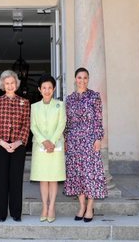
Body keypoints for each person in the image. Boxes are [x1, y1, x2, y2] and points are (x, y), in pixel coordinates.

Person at [64, 67, 108, 222]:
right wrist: (65, 140)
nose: (82, 80)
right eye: (79, 77)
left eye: (85, 77)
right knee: (77, 175)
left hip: (90, 140)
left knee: (91, 175)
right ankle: (81, 206)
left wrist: (98, 138)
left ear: (88, 79)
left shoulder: (94, 96)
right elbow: (67, 122)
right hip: (74, 141)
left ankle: (90, 208)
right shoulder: (69, 99)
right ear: (75, 79)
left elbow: (98, 119)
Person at [0, 70, 30, 222]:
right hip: (1, 146)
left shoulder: (24, 102)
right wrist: (2, 143)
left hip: (18, 146)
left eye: (12, 83)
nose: (10, 85)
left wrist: (18, 142)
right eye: (7, 83)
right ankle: (2, 213)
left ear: (17, 84)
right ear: (2, 85)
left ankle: (16, 213)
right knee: (2, 180)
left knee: (16, 180)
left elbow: (26, 124)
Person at [30, 74, 66, 223]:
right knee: (43, 179)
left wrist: (51, 142)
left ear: (54, 89)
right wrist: (44, 141)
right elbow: (33, 126)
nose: (47, 90)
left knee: (53, 179)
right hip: (40, 146)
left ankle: (52, 207)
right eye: (44, 87)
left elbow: (61, 124)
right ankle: (44, 206)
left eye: (49, 87)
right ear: (39, 89)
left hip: (56, 146)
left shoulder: (60, 105)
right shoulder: (34, 107)